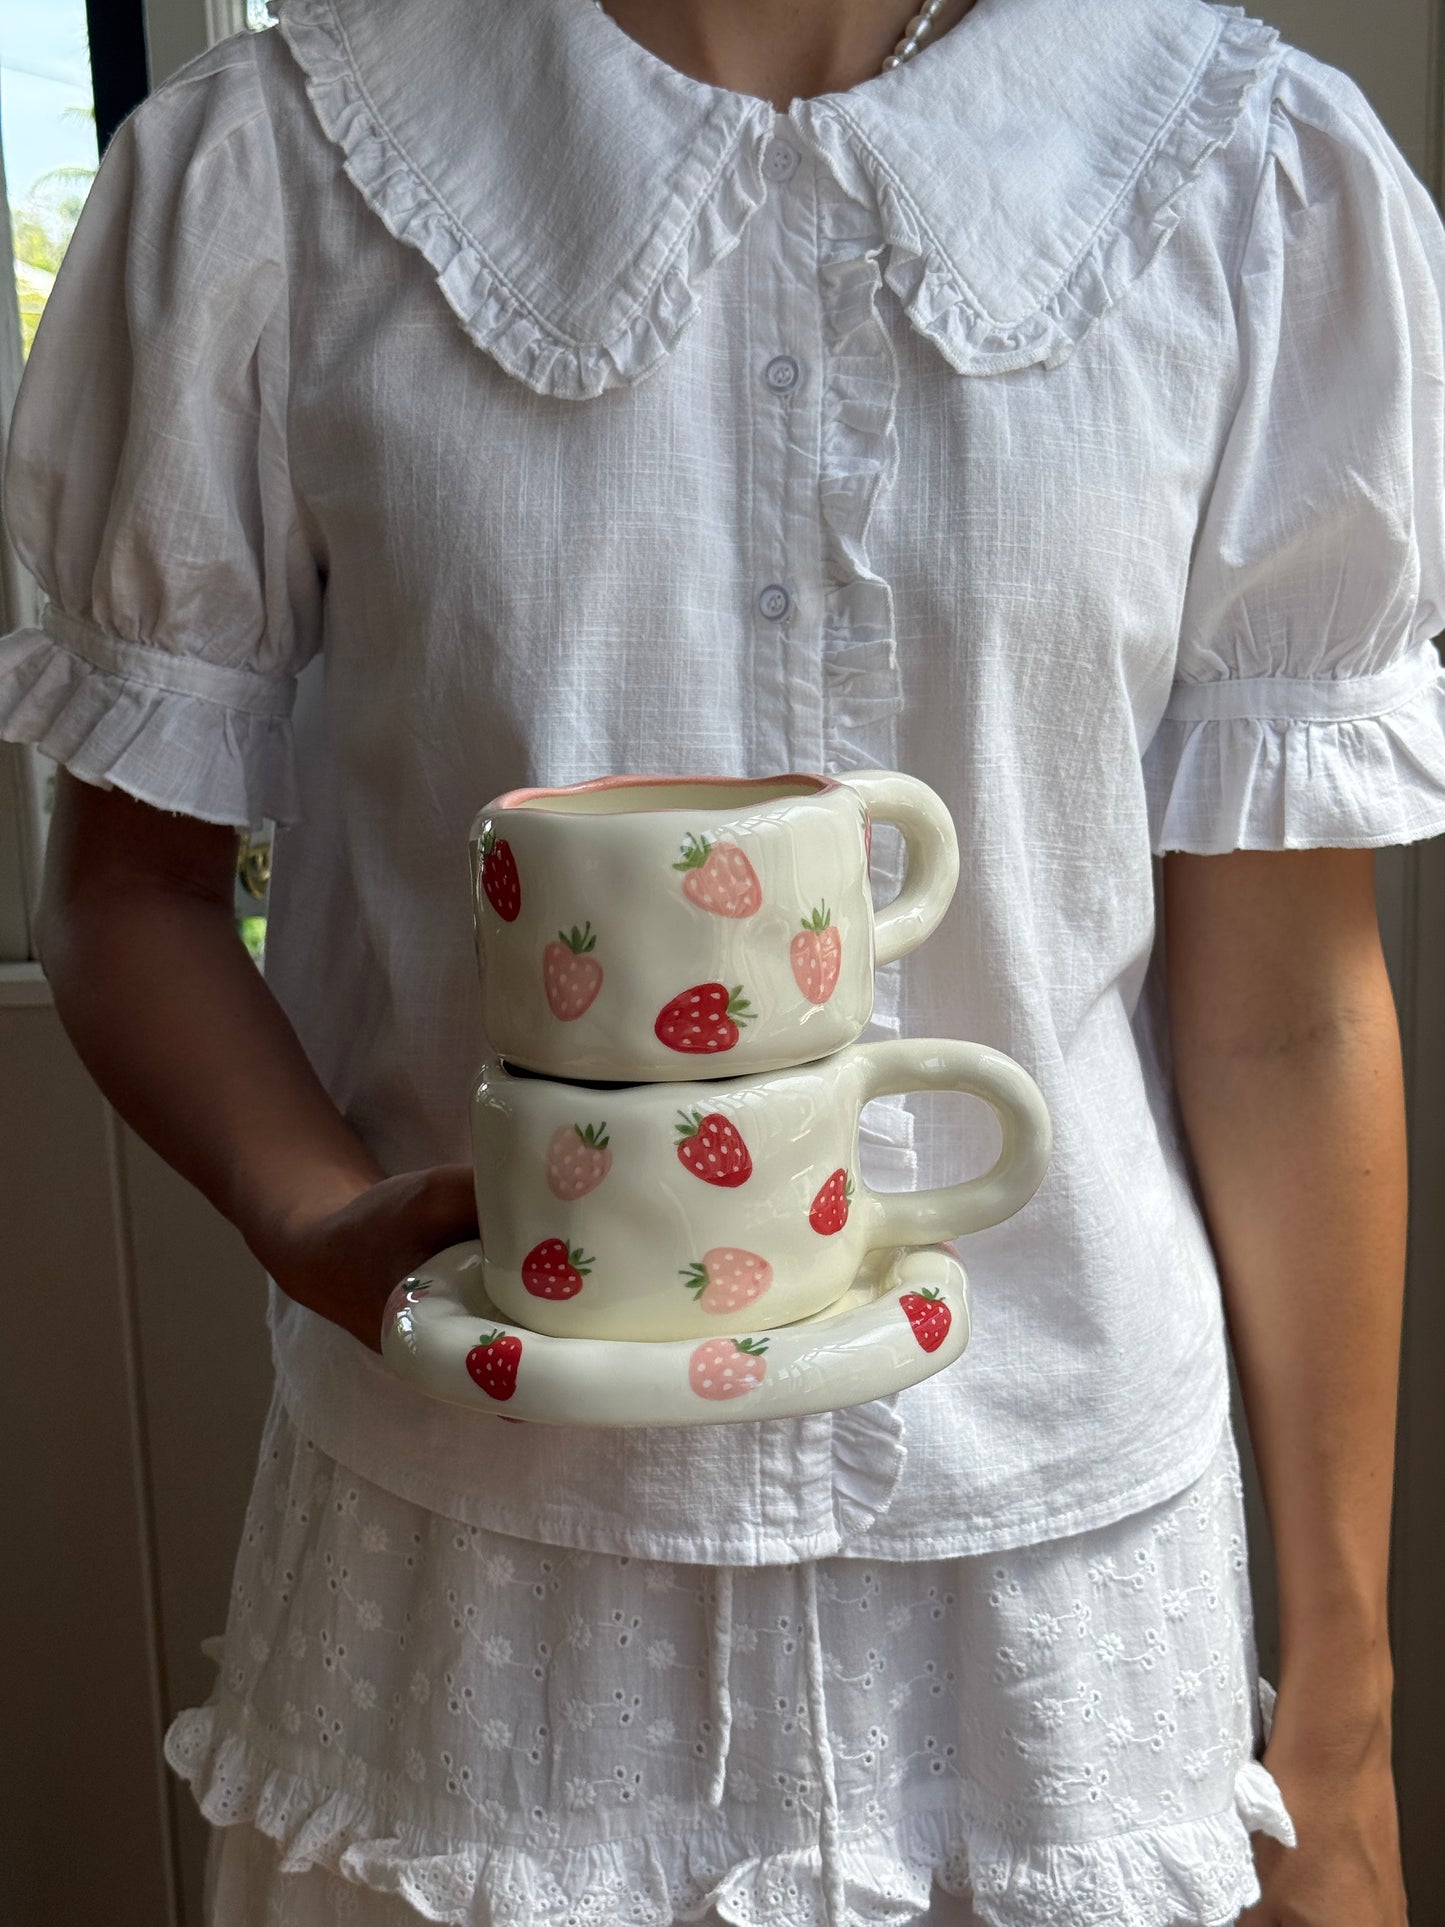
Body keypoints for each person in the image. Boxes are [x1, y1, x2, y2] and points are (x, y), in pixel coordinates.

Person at [1, 0, 1439, 1918]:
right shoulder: (283, 172)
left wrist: (1341, 1711)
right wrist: (315, 1219)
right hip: (480, 1578)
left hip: (1059, 1595)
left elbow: (1285, 1010)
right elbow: (131, 887)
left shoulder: (1243, 182)